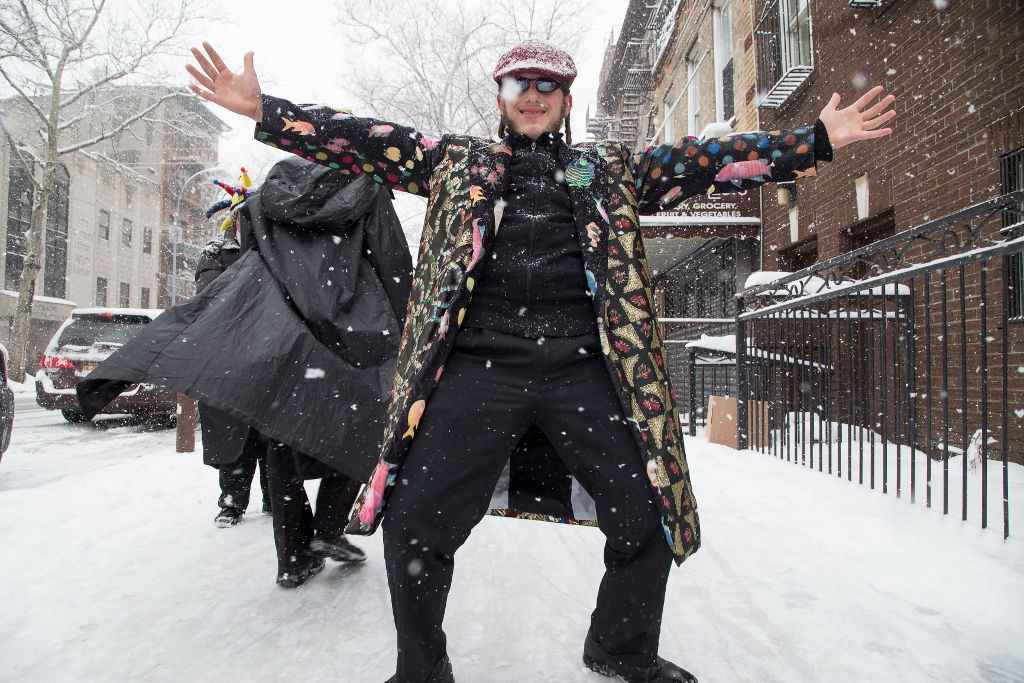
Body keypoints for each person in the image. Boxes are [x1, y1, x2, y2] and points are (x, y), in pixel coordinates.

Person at [187, 38, 895, 682]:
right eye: (519, 82)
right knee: (415, 521)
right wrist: (266, 112)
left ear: (564, 99)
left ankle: (619, 644)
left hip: (583, 367)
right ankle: (421, 668)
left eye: (548, 85)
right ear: (501, 94)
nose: (532, 93)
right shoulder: (456, 162)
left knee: (650, 508)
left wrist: (815, 141)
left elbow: (708, 163)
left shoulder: (608, 171)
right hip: (476, 367)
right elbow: (362, 142)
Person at [78, 158, 413, 588]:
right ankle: (328, 529)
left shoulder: (269, 194)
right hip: (354, 330)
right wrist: (409, 324)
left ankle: (294, 555)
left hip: (283, 331)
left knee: (281, 436)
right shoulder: (367, 186)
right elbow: (393, 263)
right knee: (360, 422)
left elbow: (253, 265)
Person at [194, 230, 272, 528]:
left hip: (268, 357)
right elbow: (211, 293)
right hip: (227, 361)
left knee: (272, 435)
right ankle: (232, 502)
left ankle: (274, 498)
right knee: (232, 437)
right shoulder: (216, 251)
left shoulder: (274, 242)